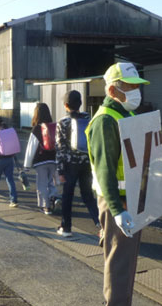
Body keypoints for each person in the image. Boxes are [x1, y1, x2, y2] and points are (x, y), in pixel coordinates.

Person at [86, 62, 150, 306]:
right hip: (118, 200)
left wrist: (156, 190)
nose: (136, 92)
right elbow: (104, 170)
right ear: (112, 91)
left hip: (131, 196)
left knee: (126, 257)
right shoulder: (106, 120)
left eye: (137, 87)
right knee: (119, 258)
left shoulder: (127, 114)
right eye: (130, 87)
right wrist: (117, 209)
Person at [55, 90, 99, 236]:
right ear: (80, 103)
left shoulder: (63, 122)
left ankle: (66, 228)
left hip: (70, 165)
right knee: (88, 196)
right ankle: (101, 225)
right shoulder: (89, 118)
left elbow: (60, 148)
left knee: (68, 196)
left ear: (66, 105)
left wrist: (60, 171)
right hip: (87, 163)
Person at [24, 102, 61, 215]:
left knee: (42, 184)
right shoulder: (54, 126)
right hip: (53, 160)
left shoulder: (36, 129)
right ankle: (54, 197)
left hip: (41, 162)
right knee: (51, 182)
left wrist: (26, 166)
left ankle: (46, 207)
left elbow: (31, 148)